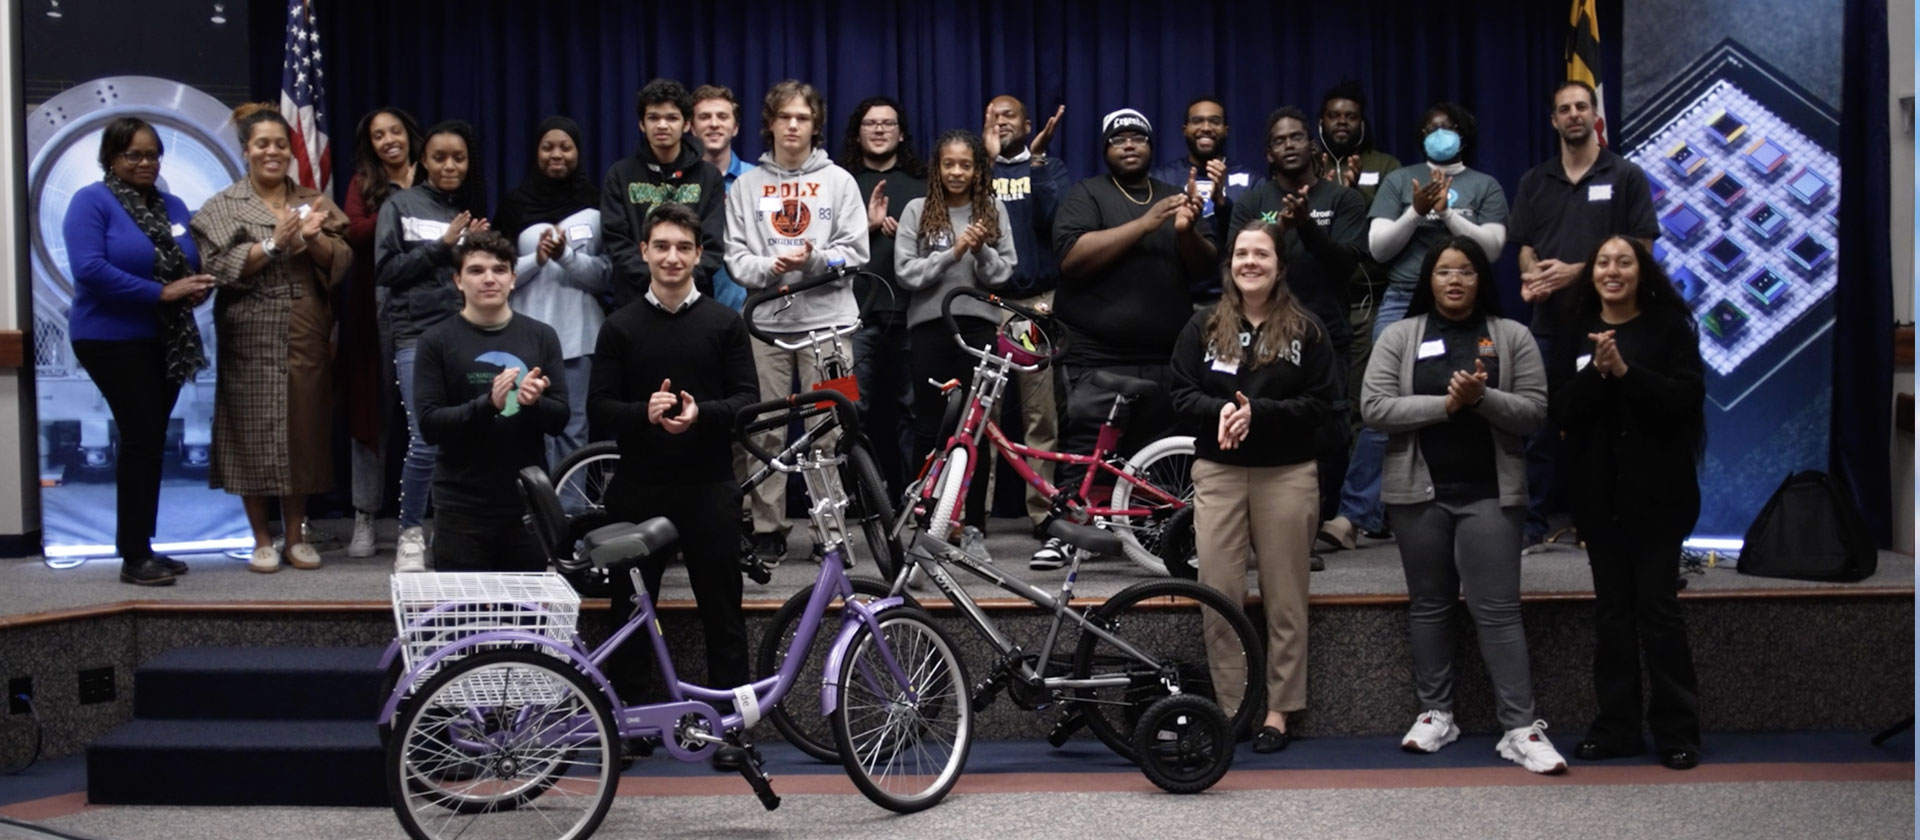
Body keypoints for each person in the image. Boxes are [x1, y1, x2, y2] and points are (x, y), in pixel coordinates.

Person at [1359, 236, 1564, 775]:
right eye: (1445, 271)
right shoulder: (1403, 335)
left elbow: (1535, 413)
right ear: (1429, 278)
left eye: (1466, 271)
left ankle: (1519, 727)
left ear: (1481, 279)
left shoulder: (1512, 335)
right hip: (1417, 494)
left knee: (1497, 612)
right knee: (1430, 606)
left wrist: (1483, 399)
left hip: (1492, 494)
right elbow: (1374, 407)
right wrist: (1447, 406)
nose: (1455, 281)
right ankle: (1436, 714)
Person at [589, 202, 759, 771]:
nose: (672, 257)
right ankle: (632, 724)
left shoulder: (724, 323)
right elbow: (598, 410)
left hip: (710, 485)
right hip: (639, 488)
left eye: (683, 248)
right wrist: (645, 410)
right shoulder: (619, 326)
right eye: (661, 246)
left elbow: (746, 403)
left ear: (698, 255)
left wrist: (699, 414)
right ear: (643, 252)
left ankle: (733, 729)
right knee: (631, 609)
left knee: (723, 610)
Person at [1170, 220, 1339, 753]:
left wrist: (1257, 415)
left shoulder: (1307, 329)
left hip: (1287, 474)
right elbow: (1178, 393)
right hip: (1218, 473)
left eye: (1261, 254)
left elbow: (1324, 406)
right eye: (1241, 253)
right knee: (1219, 594)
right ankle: (1233, 708)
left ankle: (1278, 712)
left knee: (1285, 598)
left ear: (1279, 266)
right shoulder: (1202, 326)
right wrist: (1221, 409)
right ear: (1230, 264)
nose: (1250, 262)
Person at [1550, 235, 1704, 772]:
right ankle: (1616, 727)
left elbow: (1684, 400)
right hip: (1598, 499)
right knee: (1612, 615)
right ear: (1591, 272)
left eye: (1624, 262)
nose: (1613, 271)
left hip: (1660, 497)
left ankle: (1677, 732)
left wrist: (1623, 371)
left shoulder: (1669, 328)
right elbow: (1562, 410)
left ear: (1642, 272)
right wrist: (1597, 369)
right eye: (1603, 263)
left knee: (1658, 613)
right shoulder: (1575, 331)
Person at [1326, 102, 1508, 549]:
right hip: (1404, 299)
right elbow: (1379, 247)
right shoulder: (1399, 179)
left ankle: (1472, 507)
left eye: (1446, 128)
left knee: (1472, 400)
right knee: (1380, 407)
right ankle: (1353, 516)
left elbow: (1493, 250)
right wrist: (1416, 209)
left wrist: (1447, 213)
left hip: (1469, 306)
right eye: (1429, 129)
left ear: (1463, 133)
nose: (1438, 134)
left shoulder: (1484, 185)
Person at [191, 103, 352, 573]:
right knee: (252, 432)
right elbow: (218, 266)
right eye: (263, 143)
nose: (273, 151)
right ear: (246, 151)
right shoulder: (224, 205)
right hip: (249, 331)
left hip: (305, 329)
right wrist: (274, 243)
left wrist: (312, 238)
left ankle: (297, 536)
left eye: (280, 143)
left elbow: (342, 264)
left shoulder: (313, 201)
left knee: (301, 429)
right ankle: (261, 538)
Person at [1049, 108, 1213, 560]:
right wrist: (1145, 223)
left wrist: (1184, 232)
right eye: (1118, 139)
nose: (1128, 144)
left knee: (1160, 456)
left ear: (1151, 146)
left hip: (1165, 355)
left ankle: (1155, 536)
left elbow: (1203, 268)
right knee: (1087, 449)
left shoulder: (1177, 197)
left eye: (1137, 137)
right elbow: (1072, 258)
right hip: (1094, 356)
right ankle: (1069, 535)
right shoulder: (1086, 195)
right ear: (1105, 149)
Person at [723, 79, 870, 566]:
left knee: (831, 428)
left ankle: (831, 527)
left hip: (833, 328)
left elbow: (856, 254)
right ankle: (768, 529)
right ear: (769, 124)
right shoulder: (746, 187)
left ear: (815, 125)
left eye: (802, 118)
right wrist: (770, 267)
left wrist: (814, 259)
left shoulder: (841, 182)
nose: (792, 125)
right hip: (765, 327)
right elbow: (736, 261)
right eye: (783, 117)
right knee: (763, 431)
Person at [62, 117, 214, 586]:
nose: (146, 162)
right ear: (111, 158)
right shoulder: (92, 202)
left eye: (152, 154)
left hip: (164, 338)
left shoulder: (173, 204)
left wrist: (195, 288)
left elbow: (187, 259)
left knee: (148, 441)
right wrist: (161, 294)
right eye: (134, 155)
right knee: (142, 437)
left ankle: (143, 545)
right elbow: (90, 269)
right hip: (108, 337)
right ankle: (133, 554)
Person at [1509, 81, 1660, 548]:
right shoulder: (1535, 180)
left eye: (1581, 106)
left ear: (1595, 115)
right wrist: (1533, 274)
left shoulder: (1626, 175)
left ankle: (1600, 521)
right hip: (1548, 325)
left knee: (1607, 425)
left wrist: (1577, 273)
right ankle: (1533, 522)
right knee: (1538, 426)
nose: (1573, 115)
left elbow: (1644, 248)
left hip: (1609, 324)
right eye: (1564, 109)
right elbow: (1526, 247)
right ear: (1553, 121)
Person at [1227, 107, 1368, 568]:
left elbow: (1347, 264)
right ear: (1269, 153)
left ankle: (1305, 536)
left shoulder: (1342, 200)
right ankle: (1257, 535)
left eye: (1297, 137)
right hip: (1261, 334)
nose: (1289, 145)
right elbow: (1238, 262)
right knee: (1263, 426)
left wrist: (1306, 225)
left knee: (1325, 435)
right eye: (1279, 140)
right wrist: (1279, 230)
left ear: (1313, 145)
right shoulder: (1253, 202)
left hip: (1325, 333)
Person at [411, 229, 567, 571]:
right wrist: (488, 405)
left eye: (499, 270)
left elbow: (560, 420)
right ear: (458, 280)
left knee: (523, 623)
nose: (489, 279)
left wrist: (533, 403)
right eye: (476, 270)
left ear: (513, 279)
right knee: (463, 619)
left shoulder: (542, 336)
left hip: (526, 506)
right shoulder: (435, 341)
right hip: (460, 508)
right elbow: (430, 425)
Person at [895, 129, 1016, 558]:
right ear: (937, 168)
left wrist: (980, 249)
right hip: (930, 329)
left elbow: (1003, 275)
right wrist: (953, 253)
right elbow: (906, 274)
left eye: (966, 164)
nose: (957, 172)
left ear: (978, 169)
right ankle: (926, 521)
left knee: (975, 430)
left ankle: (974, 528)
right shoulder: (917, 210)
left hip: (979, 330)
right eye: (949, 164)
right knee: (931, 427)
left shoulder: (993, 209)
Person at [375, 120, 489, 572]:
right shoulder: (399, 204)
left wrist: (475, 247)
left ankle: (453, 530)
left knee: (465, 437)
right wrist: (443, 246)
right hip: (416, 335)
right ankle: (409, 533)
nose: (449, 165)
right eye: (440, 157)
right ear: (423, 160)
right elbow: (386, 270)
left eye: (458, 158)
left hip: (465, 334)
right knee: (426, 439)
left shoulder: (468, 209)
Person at [496, 116, 612, 469]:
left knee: (573, 428)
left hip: (580, 338)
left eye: (566, 147)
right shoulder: (515, 205)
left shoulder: (597, 204)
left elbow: (606, 278)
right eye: (548, 147)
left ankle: (571, 516)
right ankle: (532, 514)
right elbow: (499, 276)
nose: (556, 154)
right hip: (524, 336)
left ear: (579, 152)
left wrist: (566, 256)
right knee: (523, 425)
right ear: (536, 153)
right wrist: (539, 258)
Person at [985, 95, 1070, 563]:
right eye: (993, 116)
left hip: (1031, 305)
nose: (1001, 122)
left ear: (1028, 123)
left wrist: (1034, 162)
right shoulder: (976, 170)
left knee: (1039, 414)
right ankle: (970, 517)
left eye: (1009, 116)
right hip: (986, 305)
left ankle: (1044, 511)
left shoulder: (1047, 168)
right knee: (984, 417)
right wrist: (987, 161)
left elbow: (1054, 222)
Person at [341, 107, 423, 558]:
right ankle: (364, 515)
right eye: (378, 135)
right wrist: (402, 210)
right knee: (372, 414)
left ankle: (423, 520)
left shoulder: (434, 171)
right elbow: (353, 232)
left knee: (427, 417)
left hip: (434, 307)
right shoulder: (364, 184)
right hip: (376, 306)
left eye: (395, 131)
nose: (388, 140)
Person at [840, 96, 926, 496]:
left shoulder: (924, 184)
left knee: (914, 409)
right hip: (849, 318)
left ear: (901, 132)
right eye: (870, 123)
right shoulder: (839, 183)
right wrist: (869, 227)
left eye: (887, 123)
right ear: (858, 133)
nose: (878, 130)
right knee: (849, 409)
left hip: (912, 315)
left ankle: (913, 496)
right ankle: (857, 498)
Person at [1313, 81, 1402, 453]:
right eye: (1335, 116)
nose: (1342, 123)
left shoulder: (1385, 166)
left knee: (1364, 400)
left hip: (1369, 299)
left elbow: (1391, 229)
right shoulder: (1308, 164)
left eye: (1351, 117)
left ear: (1362, 123)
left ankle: (1360, 500)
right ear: (1321, 122)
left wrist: (1354, 195)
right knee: (1321, 398)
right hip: (1316, 301)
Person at [601, 78, 726, 307]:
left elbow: (713, 244)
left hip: (694, 301)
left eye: (671, 118)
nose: (662, 125)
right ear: (641, 124)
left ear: (687, 124)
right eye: (653, 118)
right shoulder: (619, 174)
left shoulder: (709, 176)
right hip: (634, 302)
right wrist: (657, 282)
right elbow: (616, 241)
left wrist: (679, 281)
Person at [1149, 96, 1256, 265]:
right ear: (1185, 129)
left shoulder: (1251, 180)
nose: (1206, 128)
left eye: (1214, 121)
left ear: (1226, 129)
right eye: (1197, 121)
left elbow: (1257, 236)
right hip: (1178, 283)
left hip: (1235, 283)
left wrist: (1221, 202)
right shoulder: (1161, 178)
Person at [689, 84, 754, 310]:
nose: (714, 123)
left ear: (735, 127)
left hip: (748, 309)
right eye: (705, 117)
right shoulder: (680, 182)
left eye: (722, 117)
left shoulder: (756, 180)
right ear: (692, 127)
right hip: (691, 306)